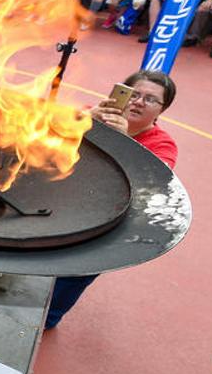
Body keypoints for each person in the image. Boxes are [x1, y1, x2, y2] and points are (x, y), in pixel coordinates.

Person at [47, 71, 178, 329]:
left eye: (150, 100)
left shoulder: (162, 144)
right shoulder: (91, 113)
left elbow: (152, 185)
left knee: (77, 271)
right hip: (63, 198)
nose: (139, 102)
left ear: (161, 111)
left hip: (109, 216)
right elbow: (35, 136)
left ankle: (50, 315)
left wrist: (123, 141)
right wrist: (83, 122)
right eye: (134, 94)